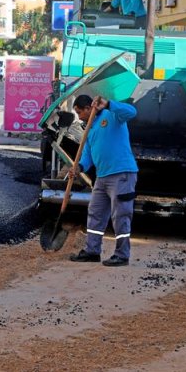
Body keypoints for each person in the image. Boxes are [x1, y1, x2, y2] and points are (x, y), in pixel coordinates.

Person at [68, 94, 138, 267]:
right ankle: (92, 251)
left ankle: (122, 255)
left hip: (122, 173)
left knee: (121, 214)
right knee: (95, 213)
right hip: (102, 177)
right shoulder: (90, 129)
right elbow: (88, 155)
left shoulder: (112, 115)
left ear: (88, 108)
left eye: (79, 112)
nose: (79, 117)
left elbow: (132, 112)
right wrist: (79, 168)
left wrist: (109, 104)